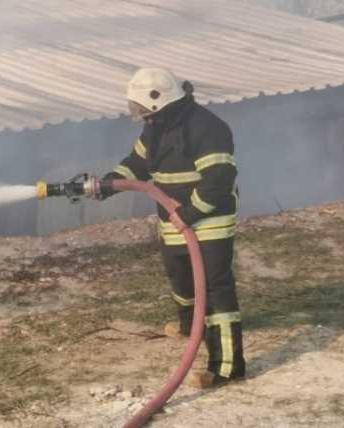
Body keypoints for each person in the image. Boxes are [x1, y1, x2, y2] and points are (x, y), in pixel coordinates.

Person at [93, 67, 245, 388]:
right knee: (180, 278)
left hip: (209, 219)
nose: (141, 118)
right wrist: (109, 182)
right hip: (174, 218)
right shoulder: (156, 126)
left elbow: (219, 182)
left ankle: (228, 366)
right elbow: (136, 163)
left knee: (215, 289)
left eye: (144, 110)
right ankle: (192, 328)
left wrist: (189, 214)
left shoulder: (208, 128)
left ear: (160, 103)